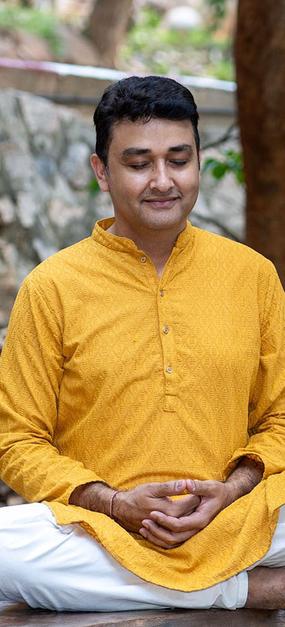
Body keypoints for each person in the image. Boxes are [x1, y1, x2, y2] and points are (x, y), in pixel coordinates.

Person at [0, 75, 285, 613]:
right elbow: (18, 442)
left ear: (199, 160)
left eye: (178, 160)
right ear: (102, 172)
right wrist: (112, 502)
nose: (162, 181)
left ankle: (199, 581)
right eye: (138, 164)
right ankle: (243, 589)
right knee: (3, 551)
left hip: (236, 514)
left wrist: (234, 488)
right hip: (103, 527)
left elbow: (281, 419)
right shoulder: (53, 286)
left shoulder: (252, 275)